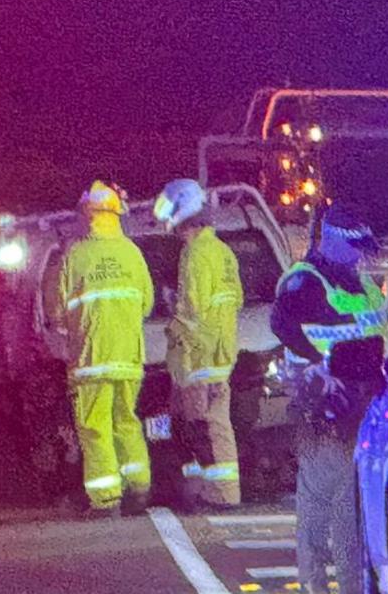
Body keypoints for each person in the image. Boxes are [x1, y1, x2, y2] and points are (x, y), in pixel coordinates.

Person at [270, 203, 387, 594]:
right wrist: (317, 366)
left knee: (350, 509)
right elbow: (283, 324)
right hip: (322, 405)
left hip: (362, 404)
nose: (360, 256)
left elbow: (372, 340)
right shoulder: (306, 280)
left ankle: (353, 587)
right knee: (319, 508)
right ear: (333, 239)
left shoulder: (364, 285)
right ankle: (315, 588)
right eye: (355, 247)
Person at [49, 180, 155, 517]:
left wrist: (75, 327)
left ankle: (106, 499)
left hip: (91, 359)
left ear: (88, 215)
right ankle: (138, 488)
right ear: (116, 214)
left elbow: (57, 311)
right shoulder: (132, 253)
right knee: (127, 421)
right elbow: (147, 303)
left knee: (96, 427)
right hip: (129, 358)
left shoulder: (77, 254)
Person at [153, 179, 244, 510]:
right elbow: (234, 300)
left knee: (201, 427)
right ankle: (217, 490)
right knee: (215, 425)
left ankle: (215, 494)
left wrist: (173, 332)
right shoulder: (222, 250)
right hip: (220, 354)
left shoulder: (194, 254)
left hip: (197, 358)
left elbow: (192, 310)